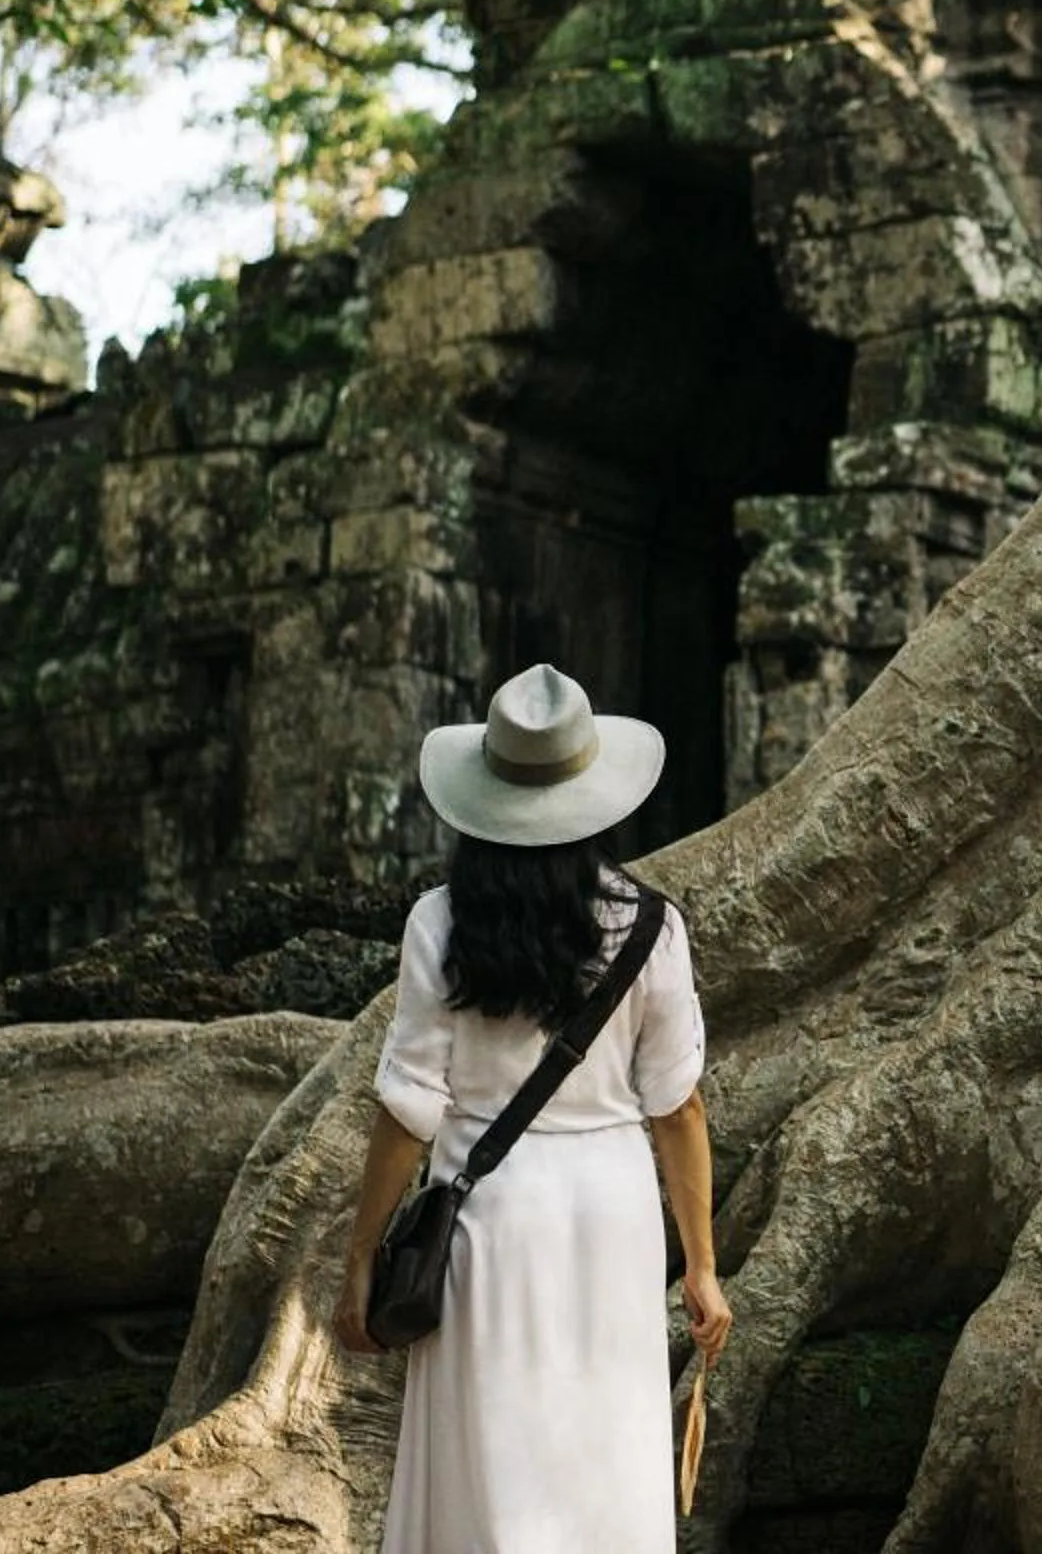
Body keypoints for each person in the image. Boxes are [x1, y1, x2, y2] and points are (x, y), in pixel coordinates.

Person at [331, 662, 734, 1553]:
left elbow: (408, 1111)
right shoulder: (652, 929)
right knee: (604, 1452)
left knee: (494, 1457)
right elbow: (680, 1110)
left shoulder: (441, 924)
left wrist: (361, 1256)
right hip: (609, 1215)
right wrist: (702, 1267)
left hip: (488, 1220)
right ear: (592, 796)